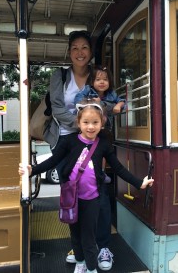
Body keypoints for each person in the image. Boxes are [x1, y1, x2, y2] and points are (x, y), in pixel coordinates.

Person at [19, 100, 154, 273]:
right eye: (86, 122)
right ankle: (80, 262)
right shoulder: (69, 141)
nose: (90, 127)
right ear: (78, 123)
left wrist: (138, 182)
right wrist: (32, 170)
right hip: (71, 198)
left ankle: (91, 268)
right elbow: (53, 161)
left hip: (92, 199)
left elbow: (118, 167)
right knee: (75, 234)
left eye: (95, 123)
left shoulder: (103, 144)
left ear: (101, 123)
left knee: (88, 237)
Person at [44, 31, 116, 270]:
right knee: (71, 195)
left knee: (99, 194)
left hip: (93, 140)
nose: (80, 52)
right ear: (69, 51)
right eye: (74, 47)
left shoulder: (98, 74)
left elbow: (107, 103)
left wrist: (90, 125)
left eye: (84, 47)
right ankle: (80, 246)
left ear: (91, 51)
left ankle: (103, 246)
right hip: (67, 141)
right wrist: (79, 125)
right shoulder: (60, 75)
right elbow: (56, 107)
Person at [74, 65, 126, 184]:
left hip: (105, 128)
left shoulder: (111, 93)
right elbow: (77, 100)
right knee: (87, 149)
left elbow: (122, 101)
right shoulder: (88, 90)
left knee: (103, 150)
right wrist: (93, 102)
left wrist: (119, 105)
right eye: (98, 79)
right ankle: (86, 170)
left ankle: (100, 172)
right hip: (89, 127)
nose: (102, 82)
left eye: (105, 79)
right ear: (92, 81)